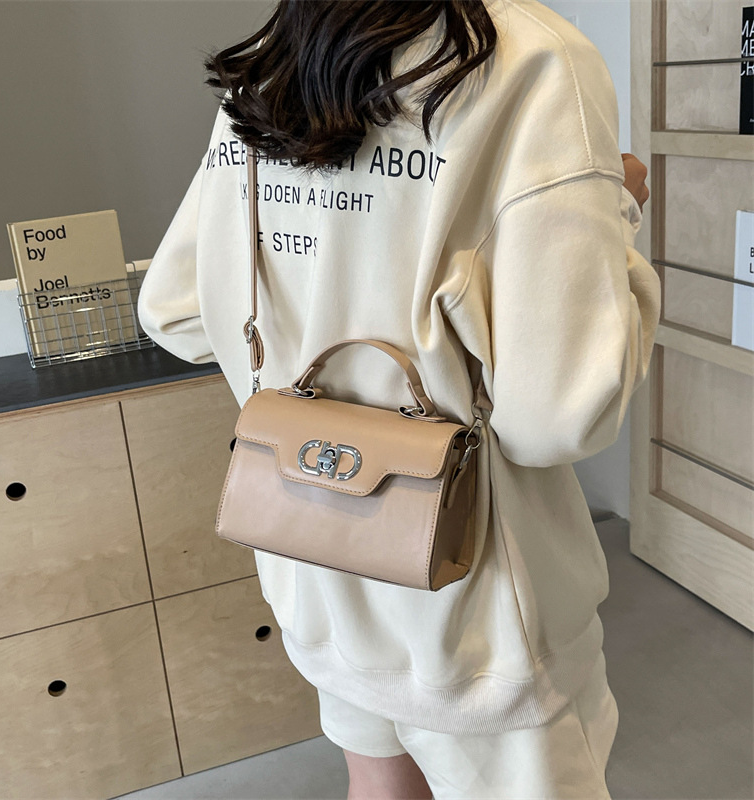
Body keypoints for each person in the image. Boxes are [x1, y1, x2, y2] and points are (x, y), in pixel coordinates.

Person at [137, 1, 660, 797]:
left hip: (315, 555)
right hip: (476, 605)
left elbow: (173, 309)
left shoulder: (276, 59)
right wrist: (617, 209)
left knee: (381, 788)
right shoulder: (534, 59)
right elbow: (559, 416)